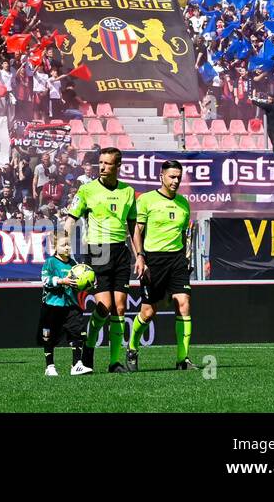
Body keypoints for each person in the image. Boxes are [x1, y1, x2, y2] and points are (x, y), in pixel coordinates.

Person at [63, 146, 137, 373]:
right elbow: (71, 219)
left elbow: (133, 226)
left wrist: (140, 255)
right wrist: (64, 246)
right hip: (97, 251)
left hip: (121, 252)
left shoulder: (128, 192)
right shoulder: (86, 190)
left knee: (121, 308)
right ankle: (89, 346)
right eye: (100, 163)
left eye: (107, 163)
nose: (102, 167)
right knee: (104, 307)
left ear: (118, 166)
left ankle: (115, 362)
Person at [127, 160, 194, 371]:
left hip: (176, 260)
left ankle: (182, 359)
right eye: (172, 176)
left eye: (178, 177)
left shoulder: (184, 203)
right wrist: (140, 257)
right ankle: (132, 348)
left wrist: (186, 256)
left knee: (183, 302)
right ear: (161, 177)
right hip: (153, 260)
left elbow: (184, 234)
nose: (176, 180)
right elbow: (136, 230)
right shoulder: (146, 200)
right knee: (148, 313)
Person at [38, 234, 89, 376]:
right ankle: (50, 366)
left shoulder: (73, 264)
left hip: (71, 305)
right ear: (54, 248)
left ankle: (76, 364)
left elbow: (78, 284)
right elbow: (45, 280)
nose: (67, 247)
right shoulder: (50, 262)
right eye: (63, 245)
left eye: (68, 244)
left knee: (76, 333)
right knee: (50, 337)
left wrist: (87, 284)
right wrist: (61, 281)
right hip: (52, 305)